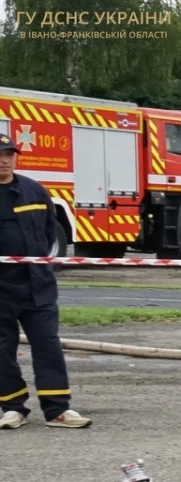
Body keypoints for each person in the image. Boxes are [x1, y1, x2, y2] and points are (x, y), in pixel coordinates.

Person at [0, 139, 89, 430]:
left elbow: (51, 231)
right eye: (0, 156)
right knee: (2, 349)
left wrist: (47, 268)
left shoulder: (34, 190)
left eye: (9, 155)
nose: (5, 160)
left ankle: (57, 410)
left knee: (48, 346)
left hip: (37, 284)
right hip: (1, 287)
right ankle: (12, 408)